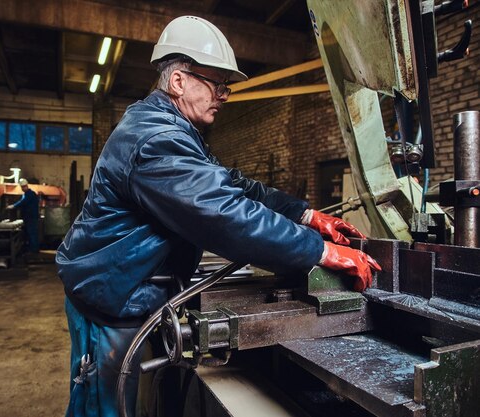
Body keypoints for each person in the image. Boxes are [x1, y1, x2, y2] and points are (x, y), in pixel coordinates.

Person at [56, 15, 381, 417]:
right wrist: (323, 253)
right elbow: (227, 217)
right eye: (217, 84)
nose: (224, 95)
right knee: (103, 407)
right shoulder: (158, 140)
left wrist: (308, 214)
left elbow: (235, 187)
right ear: (179, 81)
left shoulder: (174, 129)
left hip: (127, 288)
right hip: (108, 301)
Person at [7, 178, 39, 253]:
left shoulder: (30, 194)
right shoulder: (27, 194)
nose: (23, 188)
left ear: (26, 186)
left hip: (31, 217)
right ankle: (33, 248)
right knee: (31, 233)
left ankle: (34, 250)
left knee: (32, 233)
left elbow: (23, 202)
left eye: (23, 187)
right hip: (29, 217)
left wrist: (13, 206)